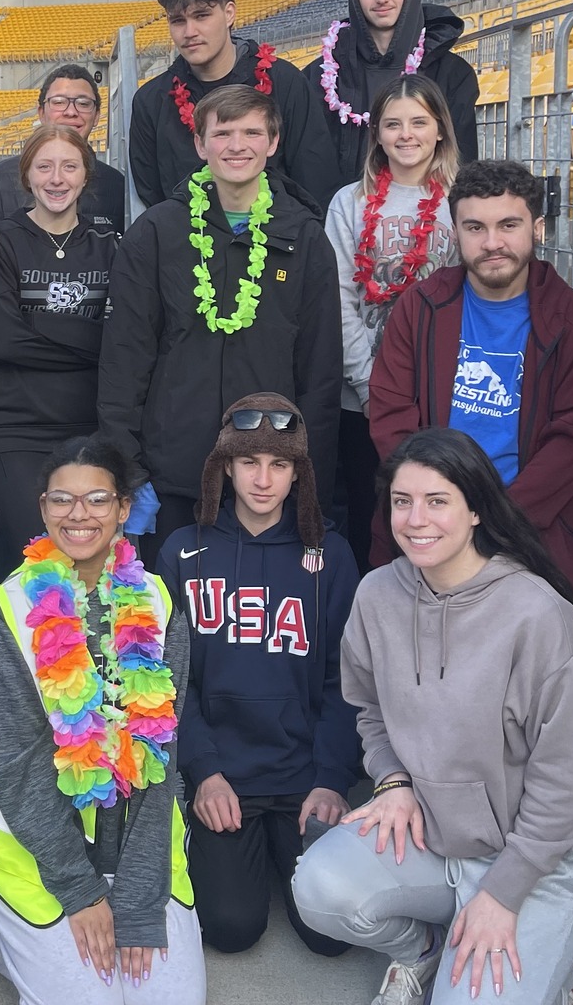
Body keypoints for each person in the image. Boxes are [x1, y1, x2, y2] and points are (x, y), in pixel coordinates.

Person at [290, 428, 573, 1005]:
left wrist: (502, 895)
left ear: (474, 511)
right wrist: (392, 780)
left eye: (437, 501)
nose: (416, 519)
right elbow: (367, 708)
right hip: (432, 836)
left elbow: (570, 787)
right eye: (401, 501)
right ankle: (423, 952)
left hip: (529, 863)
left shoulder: (537, 614)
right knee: (319, 889)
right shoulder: (378, 595)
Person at [364, 158, 573, 755]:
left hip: (532, 531)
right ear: (456, 232)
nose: (492, 242)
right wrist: (440, 512)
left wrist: (496, 524)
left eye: (508, 225)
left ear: (537, 229)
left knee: (545, 698)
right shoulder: (422, 308)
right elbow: (391, 414)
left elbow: (572, 438)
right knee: (422, 690)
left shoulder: (571, 320)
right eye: (475, 227)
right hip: (430, 526)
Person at [0, 437, 205, 1005]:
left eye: (97, 499)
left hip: (138, 846)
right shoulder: (6, 612)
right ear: (43, 509)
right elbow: (15, 766)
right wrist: (79, 891)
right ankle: (9, 936)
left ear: (124, 508)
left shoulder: (159, 603)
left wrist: (141, 900)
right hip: (35, 848)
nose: (79, 515)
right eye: (61, 500)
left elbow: (161, 755)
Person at [98, 84, 342, 565]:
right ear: (199, 144)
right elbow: (124, 360)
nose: (237, 145)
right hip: (174, 472)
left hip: (267, 477)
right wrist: (127, 470)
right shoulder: (157, 232)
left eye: (252, 132)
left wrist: (309, 480)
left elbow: (320, 371)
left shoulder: (304, 236)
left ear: (273, 143)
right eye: (223, 132)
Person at [153, 394, 358, 959]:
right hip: (225, 776)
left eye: (280, 464)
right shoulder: (182, 551)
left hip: (302, 776)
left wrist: (332, 778)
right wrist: (203, 770)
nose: (263, 479)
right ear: (225, 466)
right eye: (249, 462)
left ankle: (283, 850)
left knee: (331, 936)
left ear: (300, 475)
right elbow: (167, 680)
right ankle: (237, 854)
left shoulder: (331, 557)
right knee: (231, 927)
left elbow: (346, 680)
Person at [0, 125, 121, 582]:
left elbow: (121, 339)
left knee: (85, 555)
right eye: (45, 167)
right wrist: (91, 338)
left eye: (69, 166)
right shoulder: (1, 240)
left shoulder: (108, 244)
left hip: (87, 424)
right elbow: (5, 339)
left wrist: (37, 321)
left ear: (84, 177)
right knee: (32, 552)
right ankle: (7, 649)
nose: (57, 179)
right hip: (13, 425)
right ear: (27, 176)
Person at [325, 76, 461, 570]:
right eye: (393, 124)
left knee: (438, 519)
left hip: (440, 392)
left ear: (440, 129)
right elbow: (338, 297)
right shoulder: (350, 203)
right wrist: (367, 384)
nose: (407, 135)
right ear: (377, 134)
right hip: (364, 398)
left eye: (419, 122)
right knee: (374, 518)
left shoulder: (460, 201)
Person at [127, 0, 334, 213]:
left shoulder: (285, 82)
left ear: (229, 14)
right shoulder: (150, 101)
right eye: (178, 20)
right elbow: (154, 197)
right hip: (188, 247)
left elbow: (315, 182)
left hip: (278, 244)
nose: (189, 31)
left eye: (201, 15)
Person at [304, 0, 480, 191]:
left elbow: (463, 165)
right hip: (339, 221)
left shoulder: (452, 74)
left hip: (427, 220)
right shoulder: (319, 77)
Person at [0, 65, 128, 231]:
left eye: (83, 103)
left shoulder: (116, 186)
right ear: (41, 113)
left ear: (96, 116)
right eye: (59, 102)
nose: (70, 112)